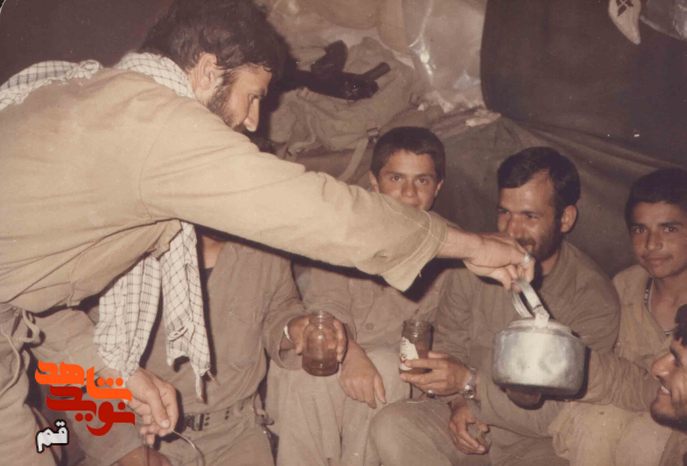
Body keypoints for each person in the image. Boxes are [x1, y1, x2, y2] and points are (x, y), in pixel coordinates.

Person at [0, 1, 532, 464]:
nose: (255, 122)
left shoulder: (99, 100)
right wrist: (468, 243)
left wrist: (115, 371)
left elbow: (33, 297)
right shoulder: (154, 124)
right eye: (253, 96)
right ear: (207, 71)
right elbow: (323, 213)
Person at [369, 147, 620, 466]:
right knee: (394, 425)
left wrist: (470, 385)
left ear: (565, 218)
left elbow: (558, 414)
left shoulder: (593, 298)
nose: (511, 230)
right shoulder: (477, 262)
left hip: (536, 443)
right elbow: (449, 344)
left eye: (529, 216)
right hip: (464, 418)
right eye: (504, 213)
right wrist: (459, 401)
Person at [63, 226, 341, 466]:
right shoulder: (127, 252)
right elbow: (79, 363)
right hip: (141, 436)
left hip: (237, 434)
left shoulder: (264, 249)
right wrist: (128, 452)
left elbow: (279, 307)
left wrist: (293, 328)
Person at [267, 126, 454, 466]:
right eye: (396, 179)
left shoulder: (452, 246)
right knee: (310, 369)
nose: (409, 193)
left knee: (386, 367)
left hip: (396, 375)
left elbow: (449, 332)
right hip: (340, 349)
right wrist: (351, 352)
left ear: (438, 187)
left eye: (422, 181)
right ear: (374, 182)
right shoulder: (346, 228)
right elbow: (327, 302)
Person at [547, 167, 687, 466]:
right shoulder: (625, 286)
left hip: (673, 424)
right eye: (639, 230)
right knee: (593, 424)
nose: (651, 244)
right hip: (620, 408)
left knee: (648, 439)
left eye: (669, 229)